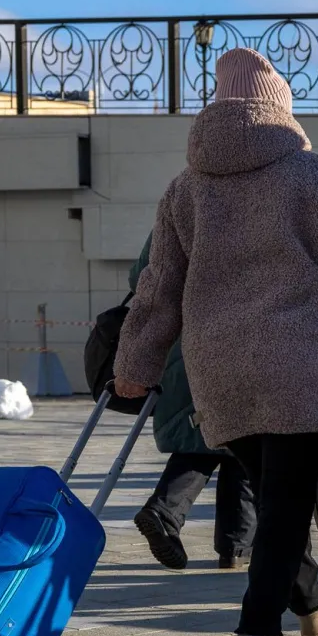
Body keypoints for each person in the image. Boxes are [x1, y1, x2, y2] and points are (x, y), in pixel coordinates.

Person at [114, 48, 318, 636]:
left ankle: (312, 601)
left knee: (280, 499)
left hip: (218, 373)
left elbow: (158, 287)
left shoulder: (184, 191)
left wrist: (134, 364)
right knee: (284, 505)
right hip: (303, 366)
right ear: (281, 112)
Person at [127, 235, 257, 572]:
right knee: (244, 441)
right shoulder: (263, 205)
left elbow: (142, 276)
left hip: (188, 347)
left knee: (209, 438)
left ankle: (171, 514)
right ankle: (233, 547)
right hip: (247, 343)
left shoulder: (180, 208)